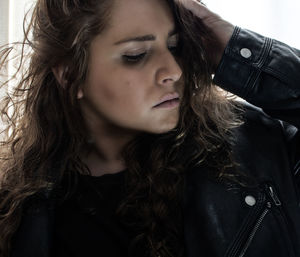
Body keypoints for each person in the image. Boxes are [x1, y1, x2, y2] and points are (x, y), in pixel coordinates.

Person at [0, 0, 299, 256]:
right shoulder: (15, 213)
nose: (174, 70)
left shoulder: (257, 153)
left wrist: (237, 50)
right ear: (70, 74)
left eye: (174, 46)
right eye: (137, 55)